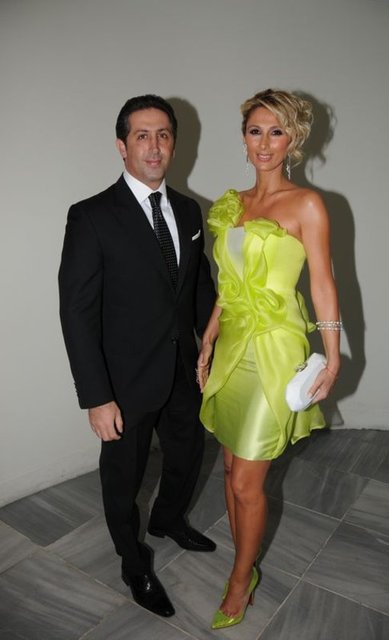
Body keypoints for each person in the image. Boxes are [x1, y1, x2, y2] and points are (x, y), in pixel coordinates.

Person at [59, 94, 217, 618]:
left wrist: (213, 346)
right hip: (123, 383)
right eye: (142, 135)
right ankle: (133, 562)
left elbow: (198, 290)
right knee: (123, 479)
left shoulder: (189, 211)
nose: (154, 146)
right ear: (122, 146)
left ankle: (168, 520)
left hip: (183, 370)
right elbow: (77, 312)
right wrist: (96, 397)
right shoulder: (91, 216)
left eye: (163, 135)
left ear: (174, 144)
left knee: (187, 453)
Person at [197, 89, 341, 630]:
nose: (264, 142)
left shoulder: (307, 204)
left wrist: (332, 357)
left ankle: (241, 578)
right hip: (232, 346)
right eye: (255, 130)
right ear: (243, 138)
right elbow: (229, 283)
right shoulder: (232, 203)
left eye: (276, 131)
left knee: (245, 482)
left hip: (274, 349)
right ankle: (245, 558)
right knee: (230, 466)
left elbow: (322, 283)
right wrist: (210, 334)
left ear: (293, 140)